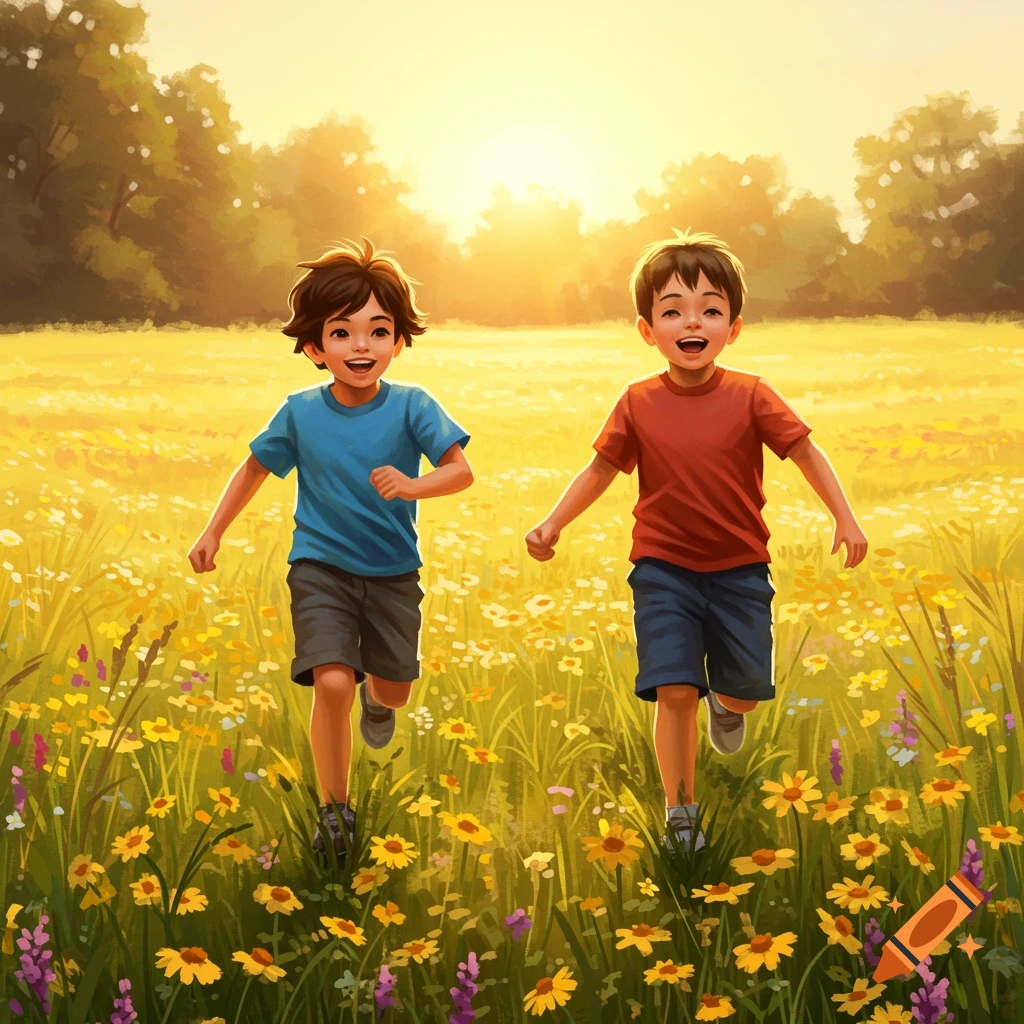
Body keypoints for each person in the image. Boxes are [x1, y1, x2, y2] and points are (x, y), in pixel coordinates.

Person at [525, 229, 867, 850]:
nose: (691, 322)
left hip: (740, 569)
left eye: (710, 310)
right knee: (675, 690)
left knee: (742, 692)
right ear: (647, 329)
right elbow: (601, 469)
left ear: (732, 328)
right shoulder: (637, 402)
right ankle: (680, 813)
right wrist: (553, 522)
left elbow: (805, 452)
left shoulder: (751, 394)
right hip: (663, 569)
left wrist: (845, 516)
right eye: (673, 311)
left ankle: (728, 706)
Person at [188, 238, 472, 860]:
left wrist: (413, 485)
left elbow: (460, 471)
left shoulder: (413, 406)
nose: (361, 346)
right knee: (333, 681)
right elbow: (254, 469)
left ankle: (380, 699)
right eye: (342, 333)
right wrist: (213, 530)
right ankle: (336, 811)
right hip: (319, 567)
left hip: (393, 572)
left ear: (398, 341)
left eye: (378, 331)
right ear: (315, 347)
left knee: (392, 689)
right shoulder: (299, 413)